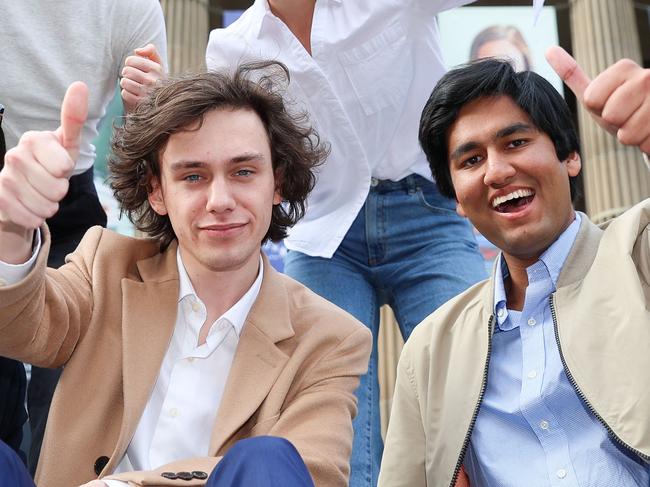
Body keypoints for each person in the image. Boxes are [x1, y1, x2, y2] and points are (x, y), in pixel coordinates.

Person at [0, 62, 371, 487]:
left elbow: (312, 473)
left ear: (278, 184)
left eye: (243, 172)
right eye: (193, 176)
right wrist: (11, 227)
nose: (220, 200)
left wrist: (126, 484)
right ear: (157, 192)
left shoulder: (330, 338)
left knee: (268, 460)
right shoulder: (105, 266)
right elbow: (17, 326)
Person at [378, 47, 650, 486]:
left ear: (569, 157)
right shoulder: (430, 351)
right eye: (471, 160)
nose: (497, 171)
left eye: (516, 143)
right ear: (457, 201)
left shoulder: (639, 253)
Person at [0, 0, 167, 471]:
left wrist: (145, 112)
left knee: (69, 386)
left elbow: (153, 163)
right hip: (5, 182)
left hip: (70, 196)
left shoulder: (131, 8)